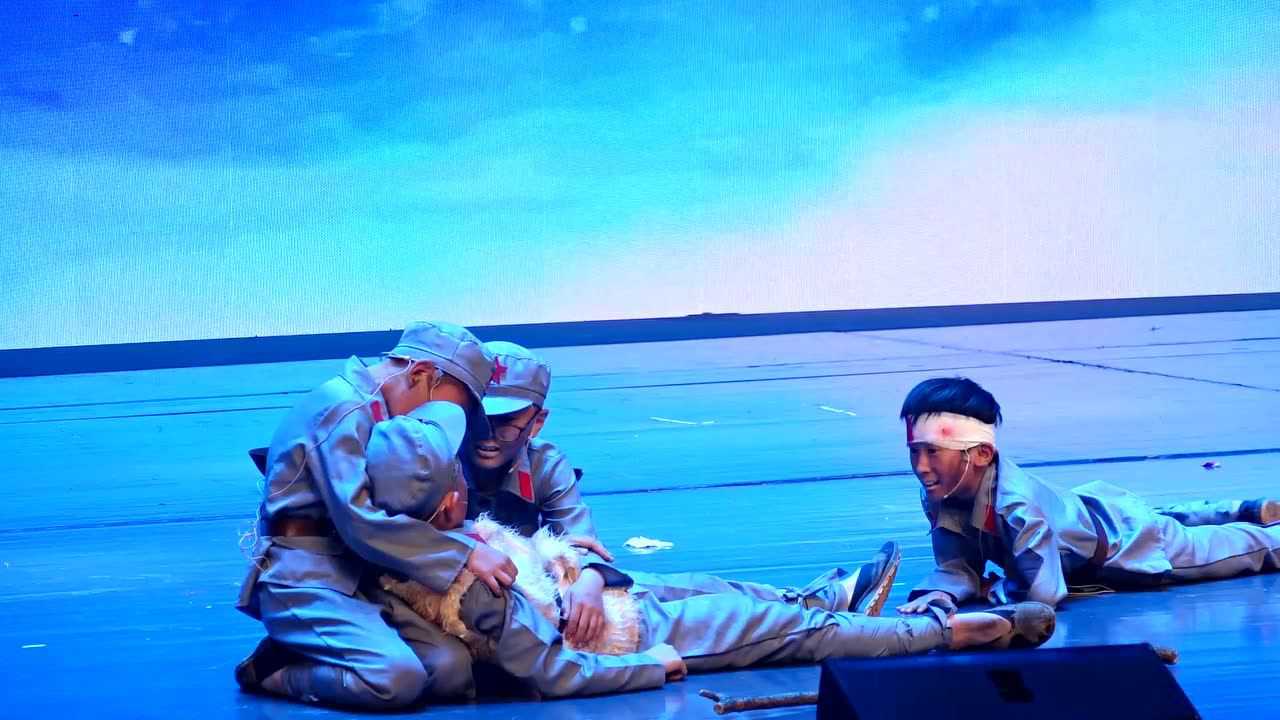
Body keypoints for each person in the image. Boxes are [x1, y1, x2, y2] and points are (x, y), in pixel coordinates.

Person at [366, 405, 1058, 698]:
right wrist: (650, 666)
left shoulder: (437, 544)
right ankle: (944, 632)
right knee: (794, 633)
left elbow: (564, 545)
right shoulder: (470, 585)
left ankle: (820, 595)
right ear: (450, 497)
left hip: (613, 600)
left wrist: (582, 575)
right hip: (626, 635)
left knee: (722, 587)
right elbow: (548, 667)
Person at [468, 340, 901, 652]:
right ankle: (819, 610)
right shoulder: (441, 464)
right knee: (705, 613)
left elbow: (583, 543)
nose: (487, 436)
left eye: (507, 424)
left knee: (687, 587)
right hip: (530, 615)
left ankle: (809, 601)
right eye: (480, 420)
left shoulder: (544, 462)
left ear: (538, 422)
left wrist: (590, 579)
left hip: (565, 592)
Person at [233, 321, 516, 709]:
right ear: (420, 374)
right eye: (448, 406)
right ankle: (275, 670)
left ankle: (328, 647)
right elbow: (358, 520)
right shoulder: (342, 408)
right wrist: (464, 553)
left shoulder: (378, 414)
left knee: (450, 670)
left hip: (361, 572)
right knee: (393, 678)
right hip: (305, 574)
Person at [896, 377, 1280, 615]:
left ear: (981, 454)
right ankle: (1239, 508)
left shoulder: (1017, 507)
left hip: (1127, 543)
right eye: (915, 452)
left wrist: (993, 589)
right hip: (1091, 515)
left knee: (1241, 548)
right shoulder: (940, 491)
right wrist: (941, 592)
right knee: (1161, 518)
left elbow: (1042, 594)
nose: (922, 466)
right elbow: (958, 564)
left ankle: (1254, 524)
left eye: (933, 452)